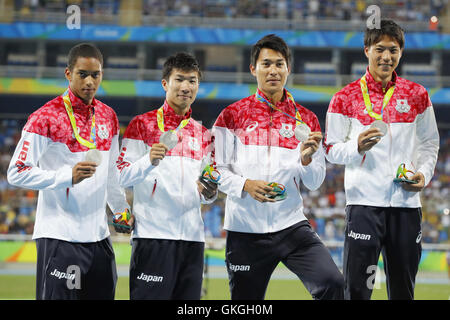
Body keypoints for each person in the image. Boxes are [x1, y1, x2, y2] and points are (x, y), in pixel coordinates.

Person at [212, 34, 344, 300]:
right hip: (245, 230)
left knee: (332, 282)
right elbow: (215, 170)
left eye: (279, 64)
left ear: (288, 68)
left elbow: (315, 181)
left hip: (291, 226)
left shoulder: (306, 119)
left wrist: (306, 159)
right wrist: (245, 185)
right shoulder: (231, 115)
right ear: (253, 69)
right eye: (266, 64)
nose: (273, 70)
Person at [323, 19, 440, 300]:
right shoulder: (344, 98)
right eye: (380, 49)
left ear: (400, 52)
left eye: (394, 50)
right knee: (358, 291)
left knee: (403, 291)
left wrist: (423, 174)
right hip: (364, 206)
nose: (387, 56)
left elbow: (429, 143)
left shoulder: (417, 95)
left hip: (406, 206)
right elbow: (330, 148)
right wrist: (356, 147)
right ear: (367, 50)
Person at [7, 43, 131, 300]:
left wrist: (120, 209)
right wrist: (67, 177)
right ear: (68, 74)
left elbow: (110, 173)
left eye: (95, 74)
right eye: (82, 74)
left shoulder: (109, 117)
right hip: (60, 236)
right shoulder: (45, 117)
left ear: (102, 75)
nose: (89, 81)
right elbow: (16, 172)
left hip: (98, 238)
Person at [116, 52, 218, 300]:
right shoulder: (142, 124)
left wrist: (210, 192)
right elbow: (120, 175)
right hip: (153, 237)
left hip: (193, 240)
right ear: (165, 83)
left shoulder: (203, 133)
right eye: (179, 79)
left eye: (192, 81)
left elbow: (206, 193)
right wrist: (148, 161)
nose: (186, 87)